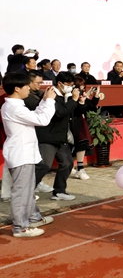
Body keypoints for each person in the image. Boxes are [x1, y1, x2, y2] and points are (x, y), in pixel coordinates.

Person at [1, 72, 57, 237]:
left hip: (24, 153)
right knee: (21, 192)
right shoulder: (14, 107)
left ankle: (33, 217)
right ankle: (20, 227)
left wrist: (46, 101)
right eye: (26, 86)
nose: (29, 88)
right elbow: (42, 120)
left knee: (27, 190)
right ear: (17, 88)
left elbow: (35, 117)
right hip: (20, 154)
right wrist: (50, 101)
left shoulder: (15, 105)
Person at [34, 71, 79, 201]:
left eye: (72, 85)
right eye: (68, 84)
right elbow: (59, 113)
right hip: (48, 137)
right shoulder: (51, 94)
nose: (70, 87)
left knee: (67, 163)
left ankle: (59, 191)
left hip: (60, 137)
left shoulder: (66, 96)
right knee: (44, 165)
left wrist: (77, 101)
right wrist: (74, 100)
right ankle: (26, 190)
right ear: (59, 83)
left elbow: (71, 111)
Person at [70, 76, 101, 181]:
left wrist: (95, 96)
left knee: (81, 145)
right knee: (81, 144)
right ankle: (79, 168)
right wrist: (81, 101)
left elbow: (91, 106)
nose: (83, 87)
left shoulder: (82, 94)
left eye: (84, 85)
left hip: (81, 122)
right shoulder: (70, 95)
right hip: (72, 123)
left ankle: (74, 167)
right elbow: (76, 110)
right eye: (81, 85)